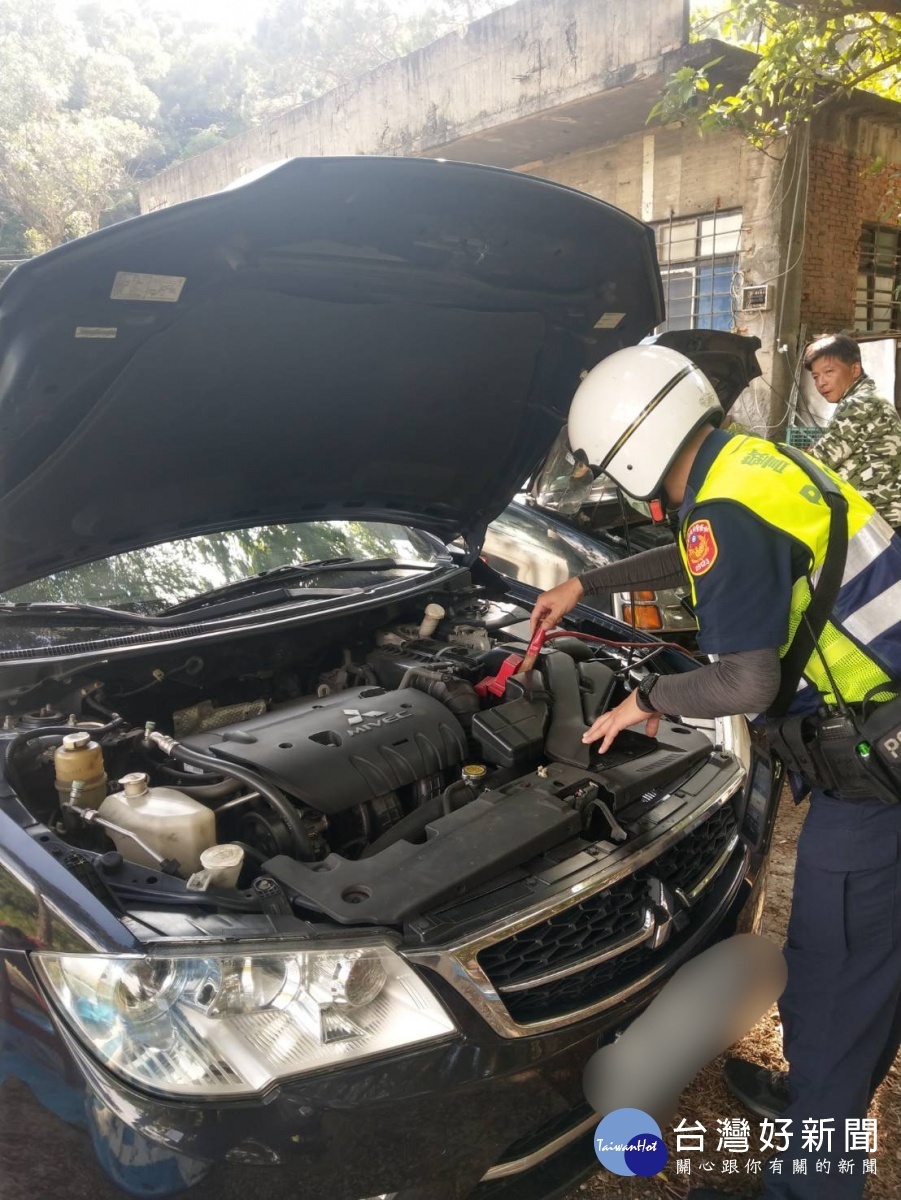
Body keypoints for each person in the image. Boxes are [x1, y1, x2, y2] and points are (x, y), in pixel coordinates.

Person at [529, 343, 901, 1200]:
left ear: (631, 451)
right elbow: (697, 553)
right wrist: (585, 582)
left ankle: (809, 1174)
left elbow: (745, 679)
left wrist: (646, 702)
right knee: (858, 979)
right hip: (887, 738)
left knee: (837, 979)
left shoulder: (722, 511)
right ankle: (818, 1100)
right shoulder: (747, 466)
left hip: (876, 786)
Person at [804, 332, 901, 532]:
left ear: (854, 369)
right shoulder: (868, 397)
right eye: (816, 376)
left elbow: (818, 461)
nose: (821, 382)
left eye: (829, 372)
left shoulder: (858, 404)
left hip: (881, 521)